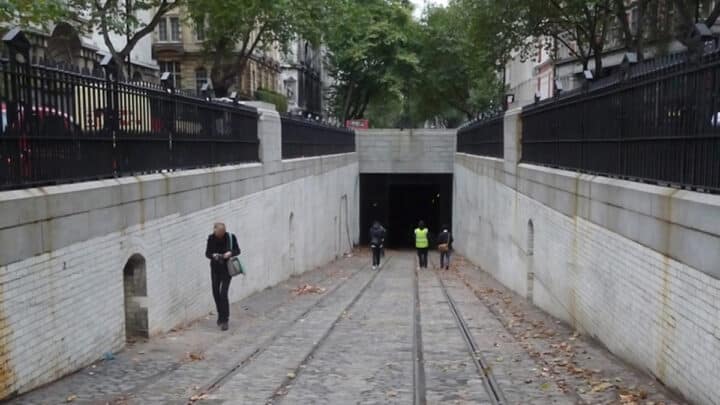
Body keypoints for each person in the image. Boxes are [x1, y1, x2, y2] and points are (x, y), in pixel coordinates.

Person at [205, 222, 241, 331]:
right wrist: (213, 255)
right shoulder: (211, 239)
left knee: (223, 293)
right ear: (214, 231)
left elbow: (238, 250)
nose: (220, 235)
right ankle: (220, 315)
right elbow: (207, 253)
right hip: (215, 269)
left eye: (222, 233)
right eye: (218, 233)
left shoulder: (230, 237)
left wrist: (230, 253)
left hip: (227, 269)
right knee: (216, 293)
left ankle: (225, 319)